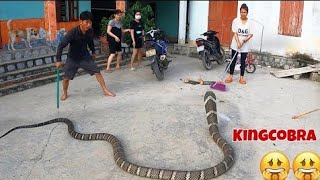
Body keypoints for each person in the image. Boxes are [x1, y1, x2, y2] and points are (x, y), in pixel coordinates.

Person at [55, 11, 115, 101]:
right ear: (81, 22)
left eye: (90, 22)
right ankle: (65, 93)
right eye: (86, 22)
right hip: (73, 58)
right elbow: (61, 45)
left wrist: (93, 52)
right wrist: (58, 60)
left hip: (85, 57)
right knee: (66, 78)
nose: (89, 24)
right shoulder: (72, 33)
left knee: (97, 72)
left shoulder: (90, 31)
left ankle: (105, 90)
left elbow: (90, 41)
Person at [225, 3, 253, 84]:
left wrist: (244, 41)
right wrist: (238, 42)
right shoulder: (236, 20)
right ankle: (230, 76)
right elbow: (235, 32)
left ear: (247, 13)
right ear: (239, 12)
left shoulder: (250, 22)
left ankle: (241, 78)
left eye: (244, 12)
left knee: (243, 61)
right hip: (235, 43)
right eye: (241, 12)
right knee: (233, 60)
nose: (243, 14)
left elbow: (251, 34)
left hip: (245, 45)